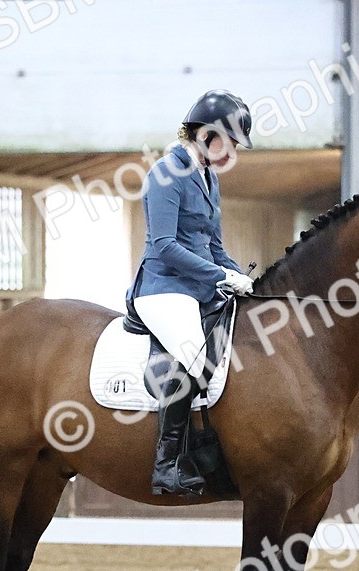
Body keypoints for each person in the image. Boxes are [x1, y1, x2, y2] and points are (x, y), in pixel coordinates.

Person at [125, 89, 256, 496]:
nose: (232, 152)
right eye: (229, 142)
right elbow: (164, 245)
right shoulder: (165, 174)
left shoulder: (208, 178)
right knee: (194, 354)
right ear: (206, 134)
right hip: (163, 287)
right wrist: (219, 275)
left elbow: (214, 245)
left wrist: (244, 278)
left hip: (199, 287)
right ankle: (167, 465)